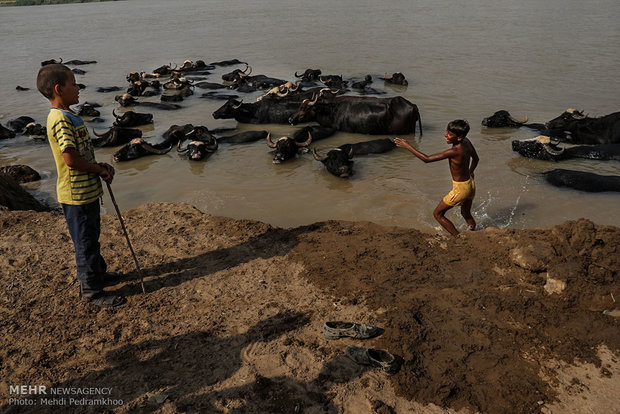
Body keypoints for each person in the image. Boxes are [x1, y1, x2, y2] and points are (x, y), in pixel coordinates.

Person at [37, 64, 126, 307]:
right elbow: (71, 159)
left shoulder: (70, 115)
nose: (78, 88)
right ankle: (92, 291)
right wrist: (97, 170)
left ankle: (99, 275)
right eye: (74, 83)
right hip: (76, 194)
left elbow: (80, 155)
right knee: (85, 243)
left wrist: (98, 165)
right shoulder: (61, 120)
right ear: (59, 89)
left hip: (85, 192)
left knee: (91, 238)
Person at [394, 119, 479, 236]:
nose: (445, 135)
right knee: (465, 213)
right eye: (447, 131)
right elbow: (476, 159)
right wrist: (471, 171)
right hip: (470, 184)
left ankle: (458, 237)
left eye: (449, 134)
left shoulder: (454, 151)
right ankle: (474, 232)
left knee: (437, 214)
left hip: (460, 190)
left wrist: (408, 146)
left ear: (459, 137)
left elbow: (427, 159)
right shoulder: (467, 142)